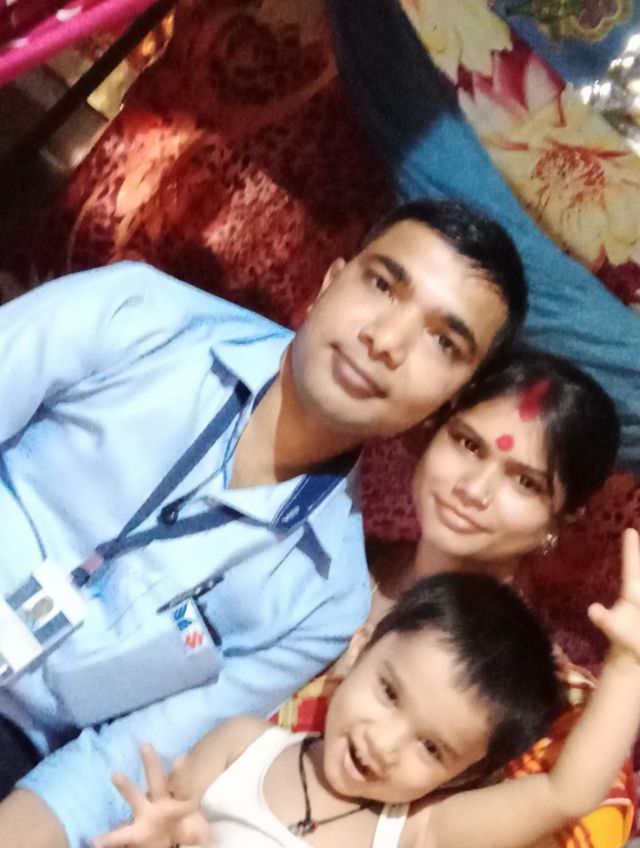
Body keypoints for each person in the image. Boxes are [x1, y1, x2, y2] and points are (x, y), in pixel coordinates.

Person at [0, 198, 526, 848]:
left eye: (442, 342)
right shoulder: (137, 316)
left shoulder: (325, 603)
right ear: (331, 280)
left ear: (445, 404)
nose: (387, 341)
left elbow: (117, 765)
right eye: (383, 285)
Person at [92, 529, 640, 848]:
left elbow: (565, 793)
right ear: (359, 648)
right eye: (391, 694)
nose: (385, 743)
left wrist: (629, 668)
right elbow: (155, 824)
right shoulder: (243, 743)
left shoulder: (417, 832)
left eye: (432, 748)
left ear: (465, 776)